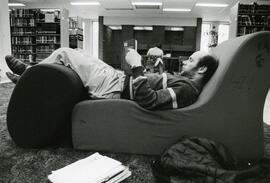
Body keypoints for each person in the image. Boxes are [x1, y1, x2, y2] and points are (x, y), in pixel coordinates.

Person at [5, 47, 218, 110]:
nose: (184, 62)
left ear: (202, 70)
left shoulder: (188, 89)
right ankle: (30, 73)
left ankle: (27, 74)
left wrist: (137, 66)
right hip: (116, 78)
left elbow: (149, 100)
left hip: (113, 87)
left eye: (190, 60)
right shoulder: (185, 82)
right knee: (80, 52)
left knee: (64, 53)